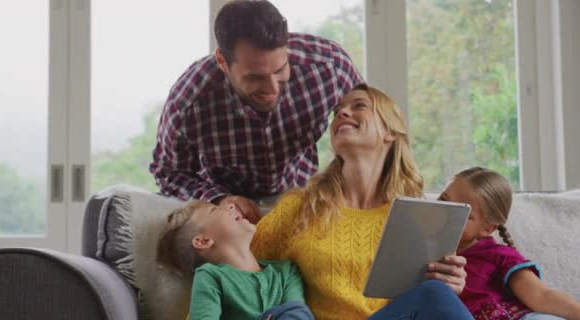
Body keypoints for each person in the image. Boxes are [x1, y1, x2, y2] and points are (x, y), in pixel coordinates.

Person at [251, 84, 473, 320]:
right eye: (337, 112)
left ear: (390, 132)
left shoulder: (414, 217)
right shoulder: (300, 206)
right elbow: (242, 270)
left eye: (359, 106)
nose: (342, 114)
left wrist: (450, 283)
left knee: (436, 292)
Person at [149, 0, 363, 223]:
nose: (272, 88)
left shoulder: (330, 66)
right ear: (222, 61)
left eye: (280, 70)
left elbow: (374, 126)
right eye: (255, 77)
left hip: (301, 197)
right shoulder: (189, 100)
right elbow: (168, 172)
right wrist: (219, 199)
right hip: (226, 214)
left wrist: (343, 183)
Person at [438, 166, 580, 320]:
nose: (444, 213)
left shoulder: (497, 255)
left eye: (461, 211)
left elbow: (541, 296)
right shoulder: (422, 252)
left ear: (487, 228)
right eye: (443, 200)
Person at [156, 200, 315, 320]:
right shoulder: (210, 277)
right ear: (203, 241)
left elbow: (298, 315)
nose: (230, 205)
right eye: (214, 209)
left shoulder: (286, 271)